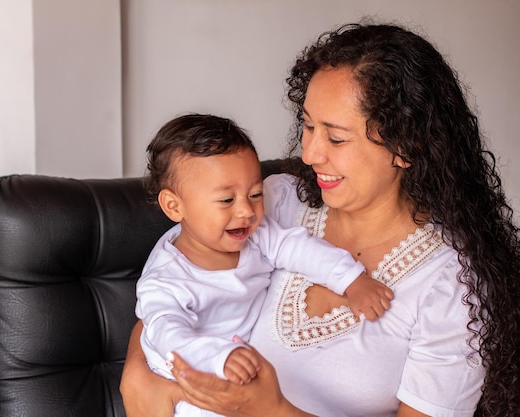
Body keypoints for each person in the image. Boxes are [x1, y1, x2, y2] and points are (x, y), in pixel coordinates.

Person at [120, 21, 520, 417]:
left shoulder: (451, 283)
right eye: (308, 126)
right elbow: (178, 281)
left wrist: (272, 411)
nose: (309, 153)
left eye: (336, 137)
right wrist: (139, 373)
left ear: (405, 146)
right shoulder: (273, 202)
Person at [137, 113, 393, 417]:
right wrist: (219, 358)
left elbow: (297, 247)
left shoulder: (255, 234)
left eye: (255, 194)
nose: (246, 210)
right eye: (226, 201)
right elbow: (169, 336)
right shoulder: (164, 281)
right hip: (186, 376)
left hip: (241, 367)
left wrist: (351, 280)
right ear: (174, 206)